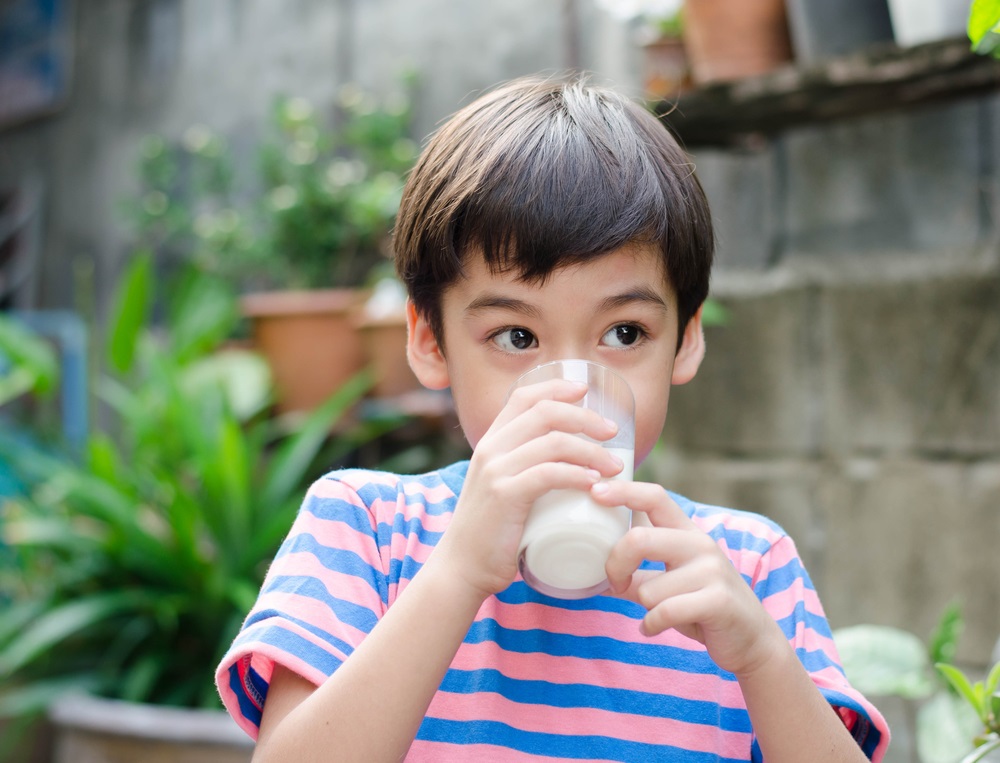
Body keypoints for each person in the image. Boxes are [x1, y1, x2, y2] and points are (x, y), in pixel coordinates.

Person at [216, 75, 889, 762]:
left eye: (624, 333)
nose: (568, 394)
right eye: (516, 337)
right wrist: (455, 574)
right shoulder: (369, 531)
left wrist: (762, 659)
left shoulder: (746, 568)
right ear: (428, 340)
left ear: (686, 338)